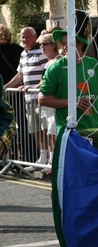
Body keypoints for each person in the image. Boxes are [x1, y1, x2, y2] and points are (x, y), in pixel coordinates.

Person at [38, 14, 98, 137]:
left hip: (94, 128)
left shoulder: (94, 65)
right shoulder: (55, 68)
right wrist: (71, 102)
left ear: (80, 44)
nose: (65, 48)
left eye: (69, 43)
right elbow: (42, 99)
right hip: (68, 131)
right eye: (63, 43)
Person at [5, 27, 48, 160]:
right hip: (28, 98)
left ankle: (50, 158)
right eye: (22, 37)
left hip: (40, 98)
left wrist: (35, 87)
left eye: (27, 37)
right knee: (34, 130)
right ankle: (42, 157)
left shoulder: (41, 52)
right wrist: (5, 87)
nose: (24, 40)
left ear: (35, 37)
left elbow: (47, 73)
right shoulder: (23, 53)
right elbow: (20, 75)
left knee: (45, 129)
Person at [34, 33, 61, 166]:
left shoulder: (58, 60)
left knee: (53, 131)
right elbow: (43, 81)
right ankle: (51, 160)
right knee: (49, 132)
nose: (41, 47)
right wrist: (32, 87)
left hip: (55, 102)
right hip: (48, 104)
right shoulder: (49, 62)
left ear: (53, 45)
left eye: (44, 44)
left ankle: (55, 161)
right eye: (40, 44)